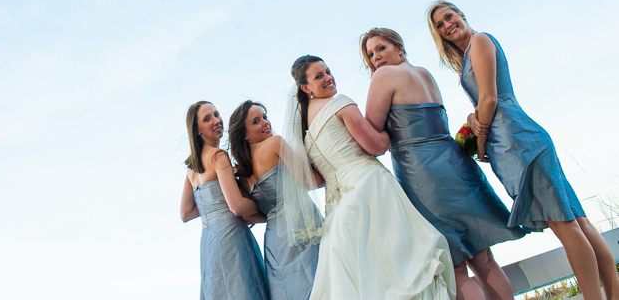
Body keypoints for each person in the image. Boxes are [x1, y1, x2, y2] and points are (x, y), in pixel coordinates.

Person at [428, 1, 619, 300]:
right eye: (439, 25)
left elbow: (490, 101)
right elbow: (485, 102)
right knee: (580, 223)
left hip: (518, 142)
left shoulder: (479, 39)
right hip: (518, 138)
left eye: (448, 17)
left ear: (461, 14)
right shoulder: (470, 53)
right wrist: (472, 118)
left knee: (567, 227)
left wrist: (480, 143)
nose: (446, 25)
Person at [360, 27, 524, 300]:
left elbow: (372, 133)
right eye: (371, 54)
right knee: (484, 260)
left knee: (454, 267)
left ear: (400, 49)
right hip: (456, 164)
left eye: (381, 49)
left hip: (422, 174)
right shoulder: (425, 74)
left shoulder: (385, 76)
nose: (376, 57)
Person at [288, 55, 456, 300]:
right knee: (400, 267)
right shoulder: (339, 104)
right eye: (319, 76)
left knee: (368, 280)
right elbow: (375, 146)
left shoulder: (305, 132)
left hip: (339, 210)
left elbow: (317, 179)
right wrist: (392, 129)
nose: (328, 78)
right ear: (306, 88)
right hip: (370, 188)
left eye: (328, 71)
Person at [228, 100, 321, 300]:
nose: (265, 123)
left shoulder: (243, 175)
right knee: (318, 282)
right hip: (301, 224)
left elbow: (248, 217)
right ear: (244, 134)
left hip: (274, 239)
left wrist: (273, 215)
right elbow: (310, 182)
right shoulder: (275, 143)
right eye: (256, 121)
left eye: (265, 117)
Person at [180, 101, 270, 300]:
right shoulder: (218, 156)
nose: (216, 120)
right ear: (197, 131)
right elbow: (237, 206)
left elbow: (186, 213)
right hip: (232, 240)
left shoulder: (191, 169)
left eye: (216, 114)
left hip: (210, 245)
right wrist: (261, 205)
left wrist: (215, 208)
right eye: (207, 118)